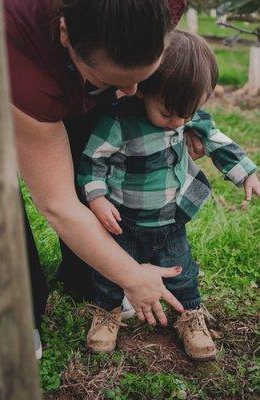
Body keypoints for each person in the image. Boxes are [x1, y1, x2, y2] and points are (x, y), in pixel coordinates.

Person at [6, 0, 210, 359]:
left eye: (141, 77)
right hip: (17, 63)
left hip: (77, 65)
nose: (132, 93)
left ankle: (89, 276)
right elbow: (57, 204)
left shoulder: (164, 8)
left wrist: (184, 120)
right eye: (114, 79)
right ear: (66, 34)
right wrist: (131, 275)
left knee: (91, 155)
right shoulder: (22, 57)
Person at [78, 31, 260, 360]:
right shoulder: (119, 122)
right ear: (146, 88)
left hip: (171, 219)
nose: (177, 122)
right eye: (168, 113)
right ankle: (108, 312)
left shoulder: (186, 113)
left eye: (186, 115)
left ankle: (190, 316)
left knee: (183, 274)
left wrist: (246, 172)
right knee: (108, 274)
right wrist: (96, 198)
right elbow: (93, 161)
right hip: (124, 221)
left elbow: (218, 141)